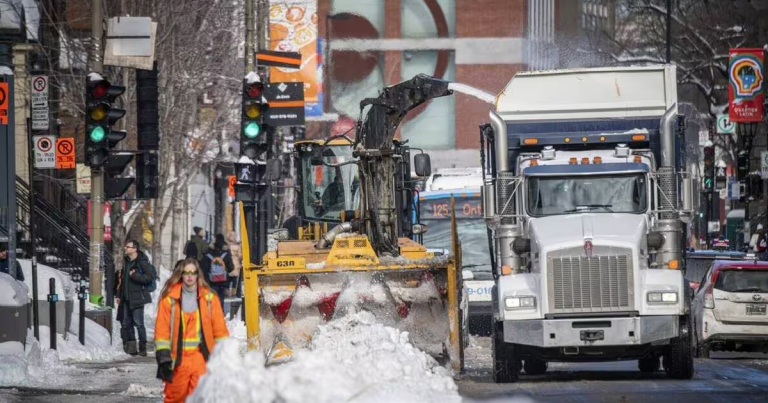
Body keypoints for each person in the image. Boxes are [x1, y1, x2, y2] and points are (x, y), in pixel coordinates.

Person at [155, 258, 228, 403]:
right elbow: (162, 330)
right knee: (175, 398)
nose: (189, 276)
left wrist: (225, 356)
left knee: (200, 398)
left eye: (192, 273)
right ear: (181, 274)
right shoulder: (169, 300)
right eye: (186, 272)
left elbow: (220, 331)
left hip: (201, 359)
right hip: (177, 361)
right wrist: (163, 357)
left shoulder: (209, 299)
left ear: (198, 275)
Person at [115, 239, 155, 356]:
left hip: (138, 298)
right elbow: (122, 281)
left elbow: (149, 277)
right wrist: (119, 295)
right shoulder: (126, 262)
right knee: (127, 323)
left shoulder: (142, 262)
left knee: (139, 324)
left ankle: (143, 349)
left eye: (128, 247)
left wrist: (136, 276)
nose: (125, 248)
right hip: (126, 298)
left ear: (134, 249)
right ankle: (132, 349)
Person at [201, 234, 234, 313]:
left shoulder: (208, 255)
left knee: (213, 296)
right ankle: (220, 311)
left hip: (212, 280)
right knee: (221, 297)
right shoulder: (226, 255)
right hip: (223, 281)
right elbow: (231, 268)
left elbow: (204, 269)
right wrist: (224, 270)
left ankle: (213, 311)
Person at [225, 232, 242, 298]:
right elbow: (240, 256)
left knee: (227, 281)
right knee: (235, 281)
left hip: (228, 265)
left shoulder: (226, 246)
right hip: (236, 264)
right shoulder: (237, 246)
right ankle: (233, 293)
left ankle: (227, 293)